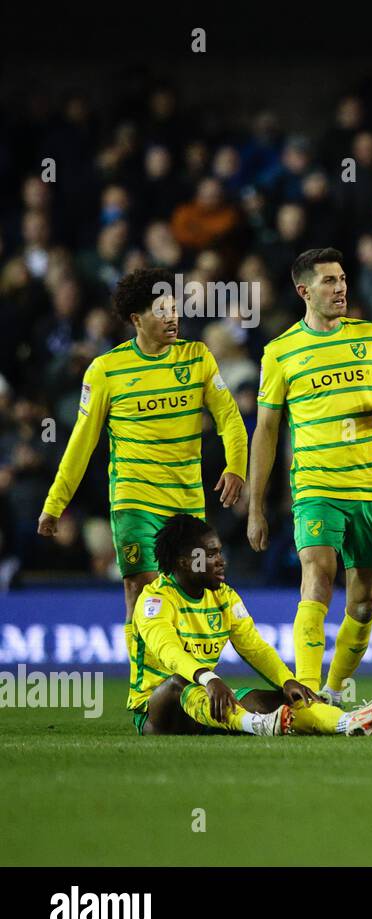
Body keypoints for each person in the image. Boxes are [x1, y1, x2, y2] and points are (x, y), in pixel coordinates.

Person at [37, 267, 247, 709]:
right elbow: (80, 442)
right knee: (142, 587)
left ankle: (189, 684)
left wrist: (236, 467)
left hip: (187, 502)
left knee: (194, 590)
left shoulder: (198, 357)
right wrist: (55, 504)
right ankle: (144, 692)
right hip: (133, 499)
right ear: (137, 318)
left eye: (176, 307)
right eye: (162, 309)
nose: (173, 316)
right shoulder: (107, 370)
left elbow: (229, 417)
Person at [246, 248, 372, 704]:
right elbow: (265, 430)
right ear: (304, 291)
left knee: (363, 603)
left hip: (369, 487)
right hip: (315, 485)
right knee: (318, 574)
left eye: (342, 279)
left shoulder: (370, 337)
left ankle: (336, 689)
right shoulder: (280, 353)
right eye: (329, 281)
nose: (340, 288)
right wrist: (256, 507)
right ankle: (303, 694)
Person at [132, 514, 372, 737]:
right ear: (185, 561)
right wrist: (209, 677)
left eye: (220, 552)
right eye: (212, 553)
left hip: (209, 701)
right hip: (158, 713)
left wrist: (287, 680)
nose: (221, 560)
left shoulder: (223, 596)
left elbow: (254, 648)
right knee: (179, 683)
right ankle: (255, 724)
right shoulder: (155, 600)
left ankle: (349, 722)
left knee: (290, 702)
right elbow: (169, 651)